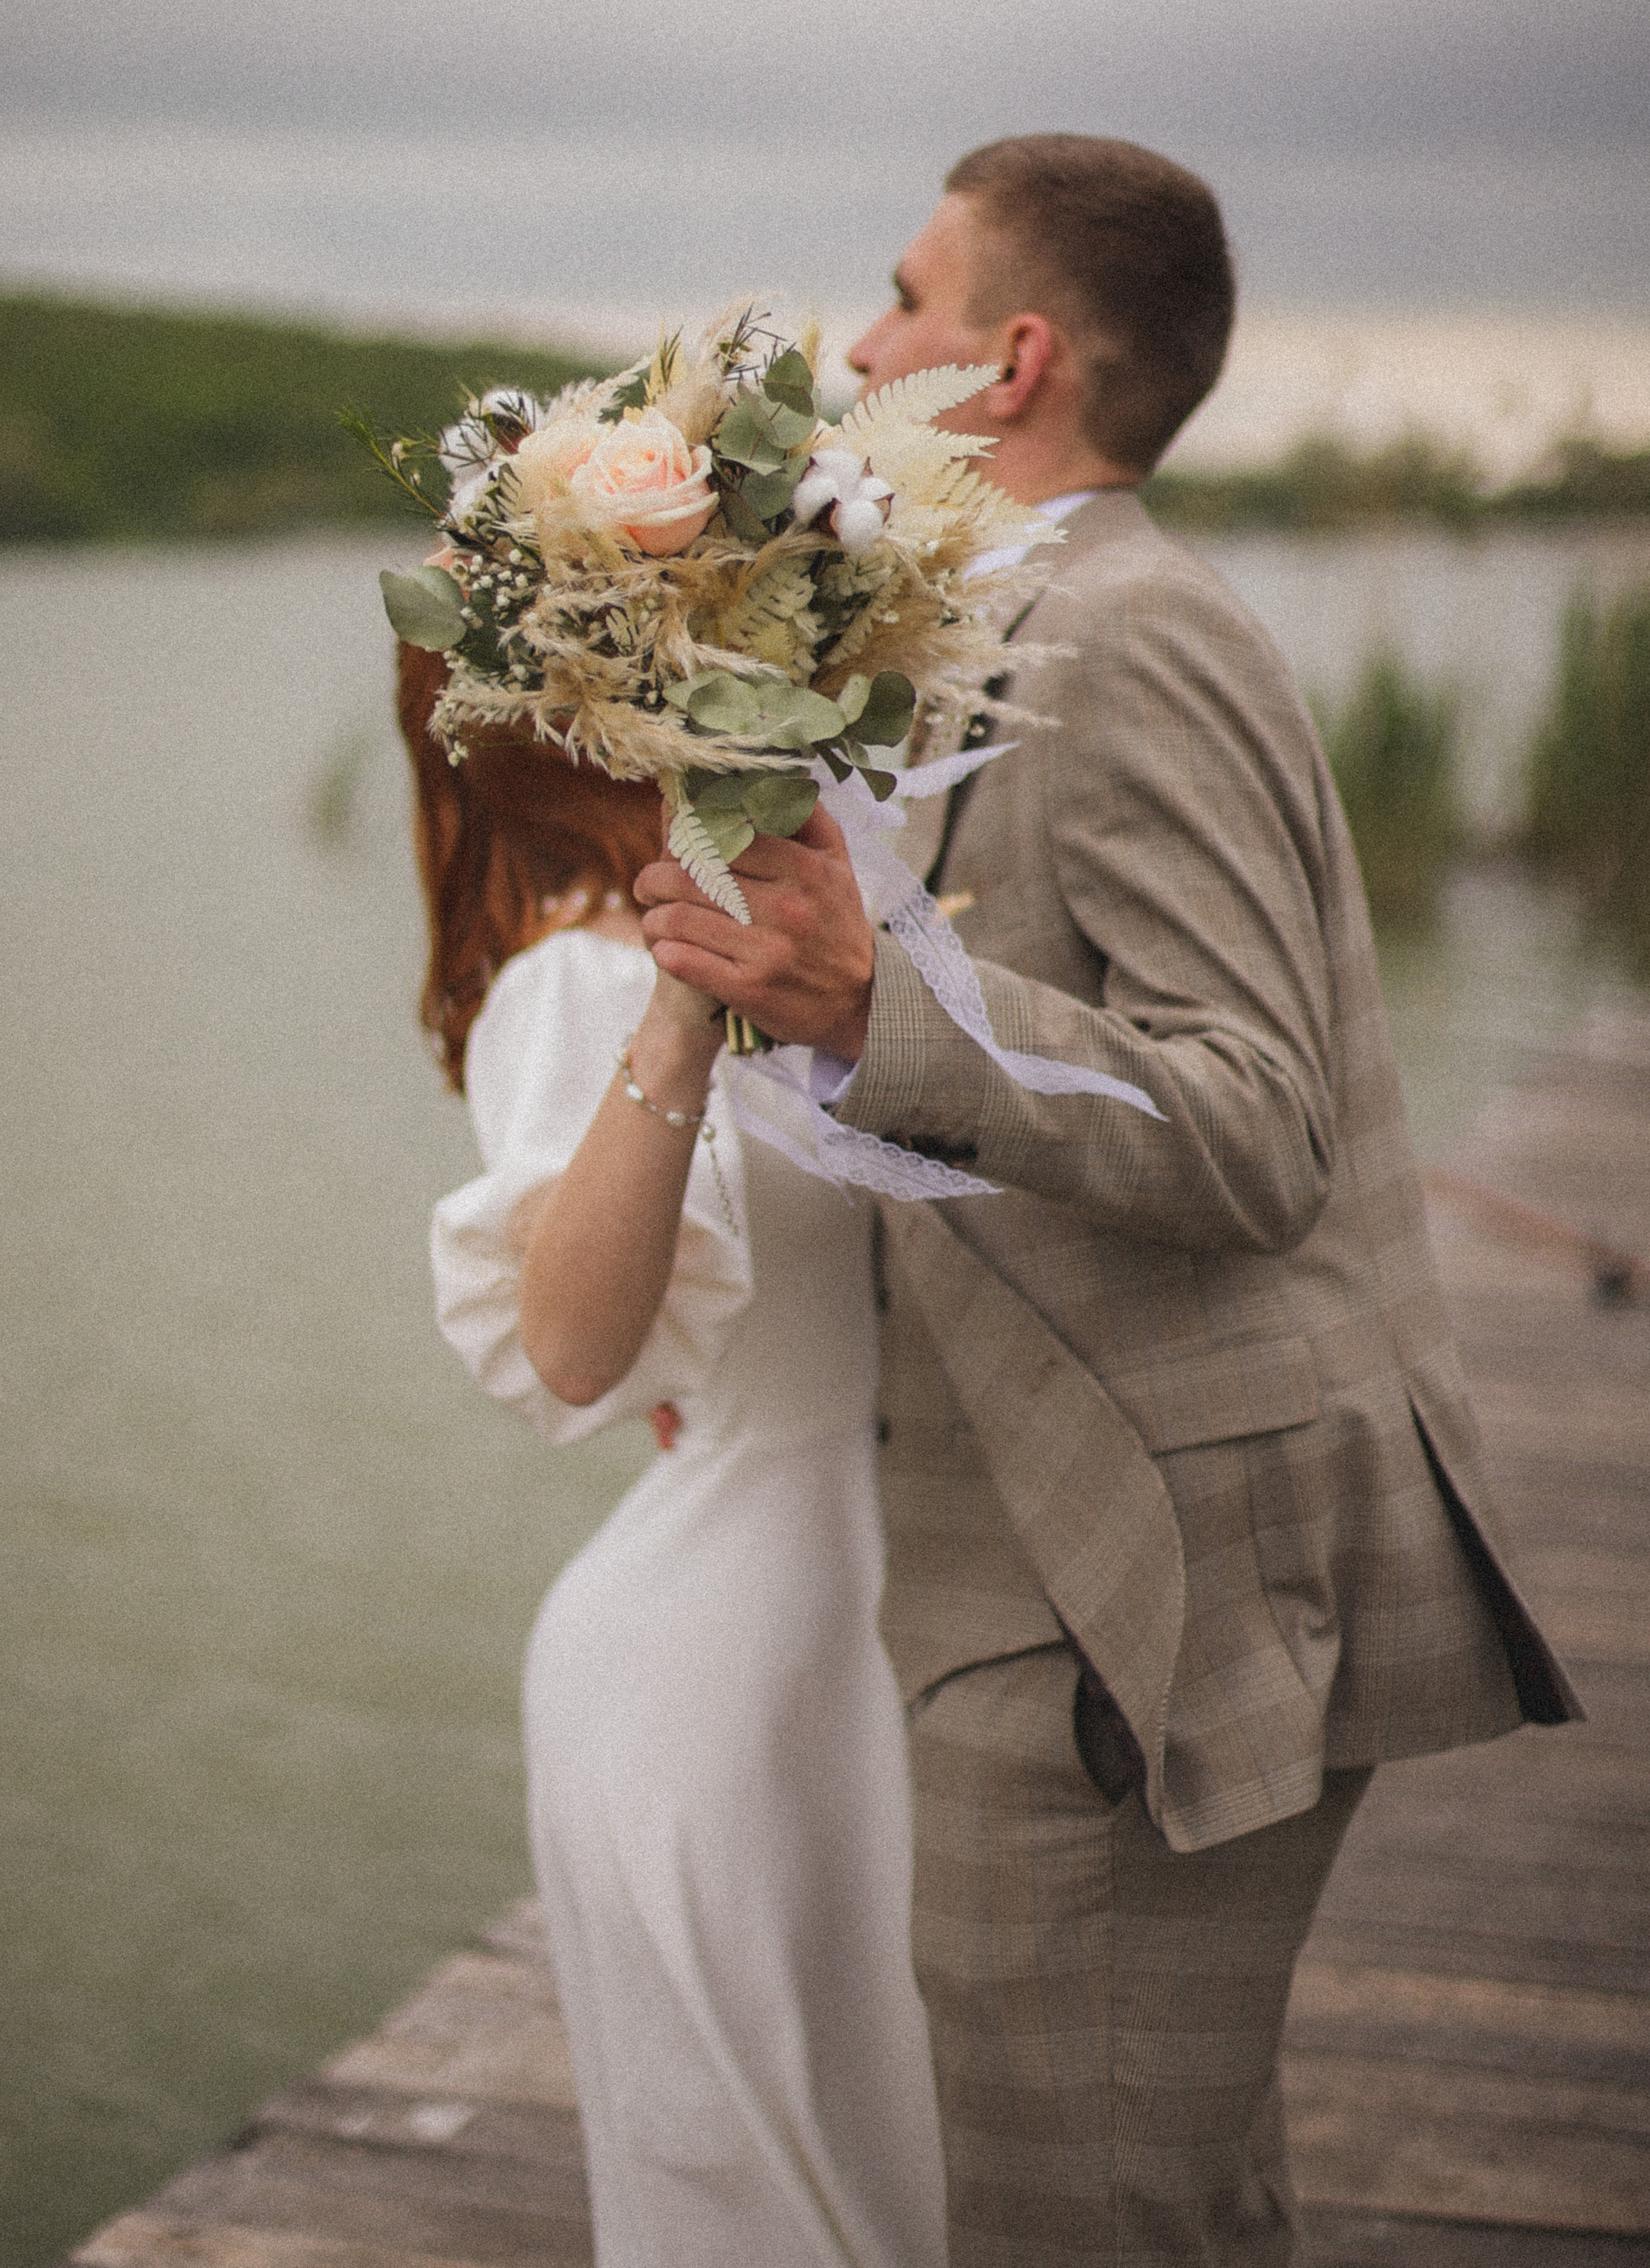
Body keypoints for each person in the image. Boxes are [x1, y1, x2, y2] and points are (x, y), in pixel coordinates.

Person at [633, 134, 1580, 2266]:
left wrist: (878, 1002)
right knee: (1159, 2203)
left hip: (1142, 1581)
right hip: (1051, 1540)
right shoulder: (997, 630)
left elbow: (1260, 1128)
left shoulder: (1127, 633)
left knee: (1095, 2218)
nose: (861, 350)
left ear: (1011, 359)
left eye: (900, 303)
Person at [397, 641, 947, 2268]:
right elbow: (576, 1349)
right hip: (721, 1664)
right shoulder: (577, 981)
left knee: (890, 2172)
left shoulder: (833, 913)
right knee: (758, 2200)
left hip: (884, 1622)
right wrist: (677, 1014)